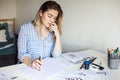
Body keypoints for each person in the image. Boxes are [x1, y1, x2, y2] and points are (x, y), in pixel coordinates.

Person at [18, 0, 63, 70]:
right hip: (28, 68)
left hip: (45, 69)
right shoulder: (25, 28)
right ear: (41, 13)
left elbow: (56, 55)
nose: (52, 20)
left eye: (54, 18)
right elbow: (22, 54)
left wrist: (57, 35)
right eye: (50, 16)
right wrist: (31, 63)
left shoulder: (53, 32)